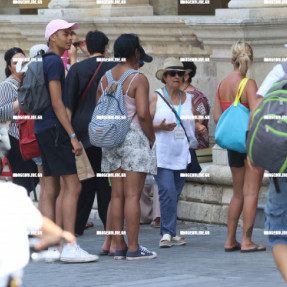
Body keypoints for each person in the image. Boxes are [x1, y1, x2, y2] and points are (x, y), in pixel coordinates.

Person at [34, 19, 98, 262]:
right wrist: (73, 136)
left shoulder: (44, 59)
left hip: (43, 128)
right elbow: (57, 102)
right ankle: (69, 246)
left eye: (71, 34)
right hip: (55, 129)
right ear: (52, 37)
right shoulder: (54, 63)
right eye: (65, 34)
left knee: (56, 186)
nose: (70, 38)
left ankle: (53, 246)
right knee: (74, 186)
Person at [97, 33, 157, 260]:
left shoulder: (105, 78)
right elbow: (142, 114)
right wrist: (151, 137)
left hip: (111, 140)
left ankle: (118, 246)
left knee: (117, 196)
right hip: (133, 140)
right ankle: (133, 248)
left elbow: (99, 109)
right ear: (136, 53)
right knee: (133, 195)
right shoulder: (137, 79)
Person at [0, 125, 75, 287]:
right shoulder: (12, 194)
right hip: (46, 136)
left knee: (46, 186)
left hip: (33, 138)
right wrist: (61, 235)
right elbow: (42, 226)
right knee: (60, 186)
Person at [213, 40, 265, 252]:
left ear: (231, 60)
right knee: (251, 192)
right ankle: (247, 241)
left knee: (237, 193)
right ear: (250, 60)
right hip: (249, 144)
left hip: (232, 145)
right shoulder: (249, 84)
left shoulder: (221, 84)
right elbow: (254, 113)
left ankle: (229, 240)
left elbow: (217, 117)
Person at [150, 57, 207, 248]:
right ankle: (166, 234)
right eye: (172, 73)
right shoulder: (155, 96)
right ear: (164, 77)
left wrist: (199, 127)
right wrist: (159, 126)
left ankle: (171, 233)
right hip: (162, 153)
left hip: (183, 154)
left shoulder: (189, 98)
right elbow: (144, 124)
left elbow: (194, 121)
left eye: (180, 73)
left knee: (174, 194)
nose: (177, 76)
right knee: (167, 191)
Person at [66, 30, 115, 245]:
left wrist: (70, 136)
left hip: (82, 132)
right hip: (108, 132)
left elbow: (68, 104)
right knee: (106, 183)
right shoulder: (114, 68)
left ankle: (76, 225)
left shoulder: (77, 69)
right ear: (106, 47)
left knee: (85, 180)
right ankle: (110, 226)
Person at [0, 47, 39, 194]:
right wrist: (20, 102)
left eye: (23, 61)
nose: (20, 65)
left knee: (33, 179)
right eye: (16, 62)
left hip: (30, 138)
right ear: (10, 67)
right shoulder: (6, 86)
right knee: (23, 183)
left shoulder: (28, 82)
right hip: (15, 139)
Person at [180, 61, 210, 149]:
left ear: (185, 77)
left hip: (195, 149)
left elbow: (195, 126)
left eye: (177, 73)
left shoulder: (197, 97)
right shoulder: (177, 95)